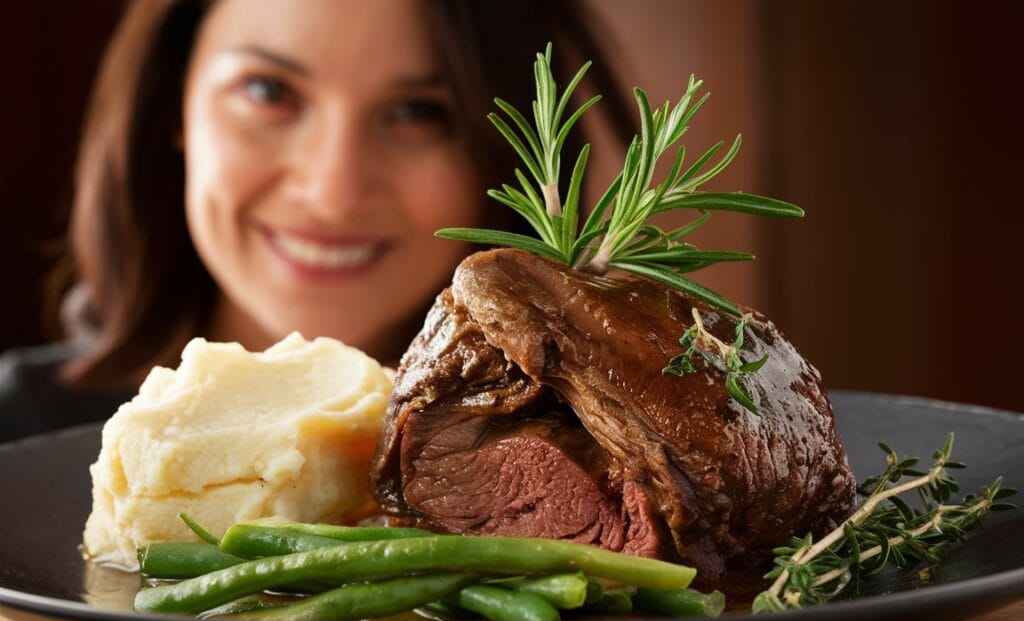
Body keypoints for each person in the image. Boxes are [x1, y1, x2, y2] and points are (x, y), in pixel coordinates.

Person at [0, 0, 635, 443]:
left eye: (419, 112)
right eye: (269, 91)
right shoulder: (16, 427)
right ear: (173, 105)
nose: (333, 193)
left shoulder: (604, 461)